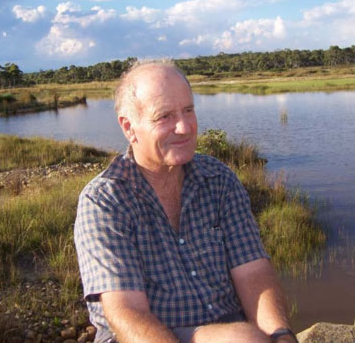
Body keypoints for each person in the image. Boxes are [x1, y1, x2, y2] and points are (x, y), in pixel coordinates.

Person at [74, 61, 298, 343]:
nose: (184, 127)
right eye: (164, 116)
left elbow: (254, 272)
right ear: (129, 127)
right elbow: (127, 313)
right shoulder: (104, 201)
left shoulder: (219, 180)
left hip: (230, 331)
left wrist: (281, 335)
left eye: (188, 110)